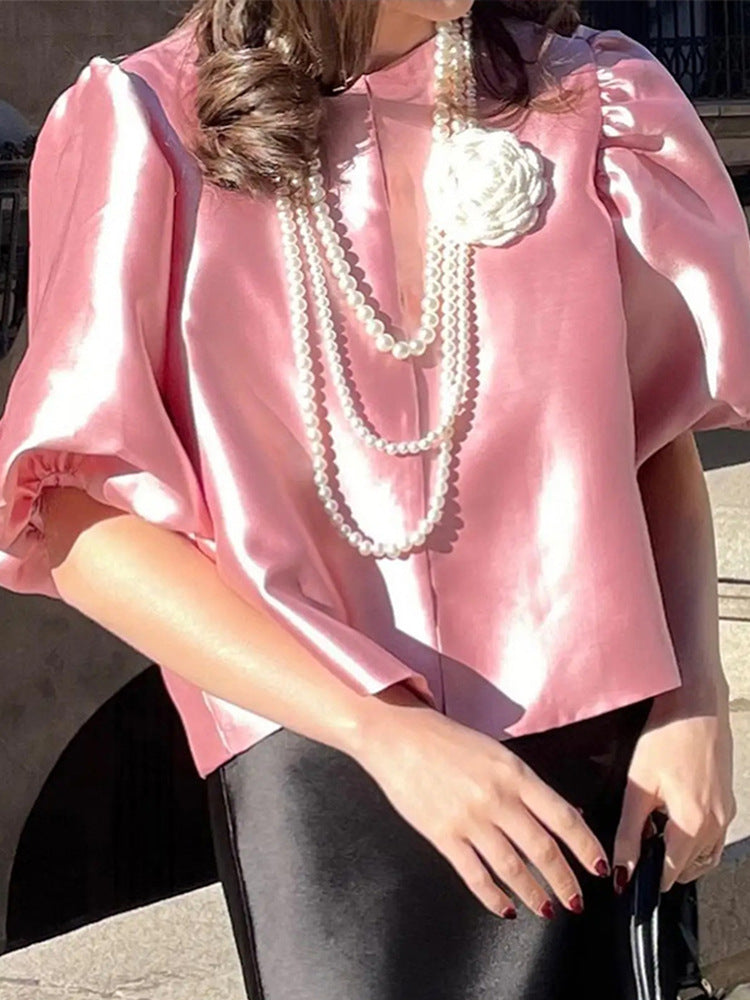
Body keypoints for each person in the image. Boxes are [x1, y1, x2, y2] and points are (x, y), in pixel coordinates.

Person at [0, 0, 746, 996]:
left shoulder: (590, 101)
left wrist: (694, 693)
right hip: (319, 761)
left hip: (597, 749)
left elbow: (646, 433)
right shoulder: (144, 124)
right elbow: (73, 512)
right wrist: (382, 731)